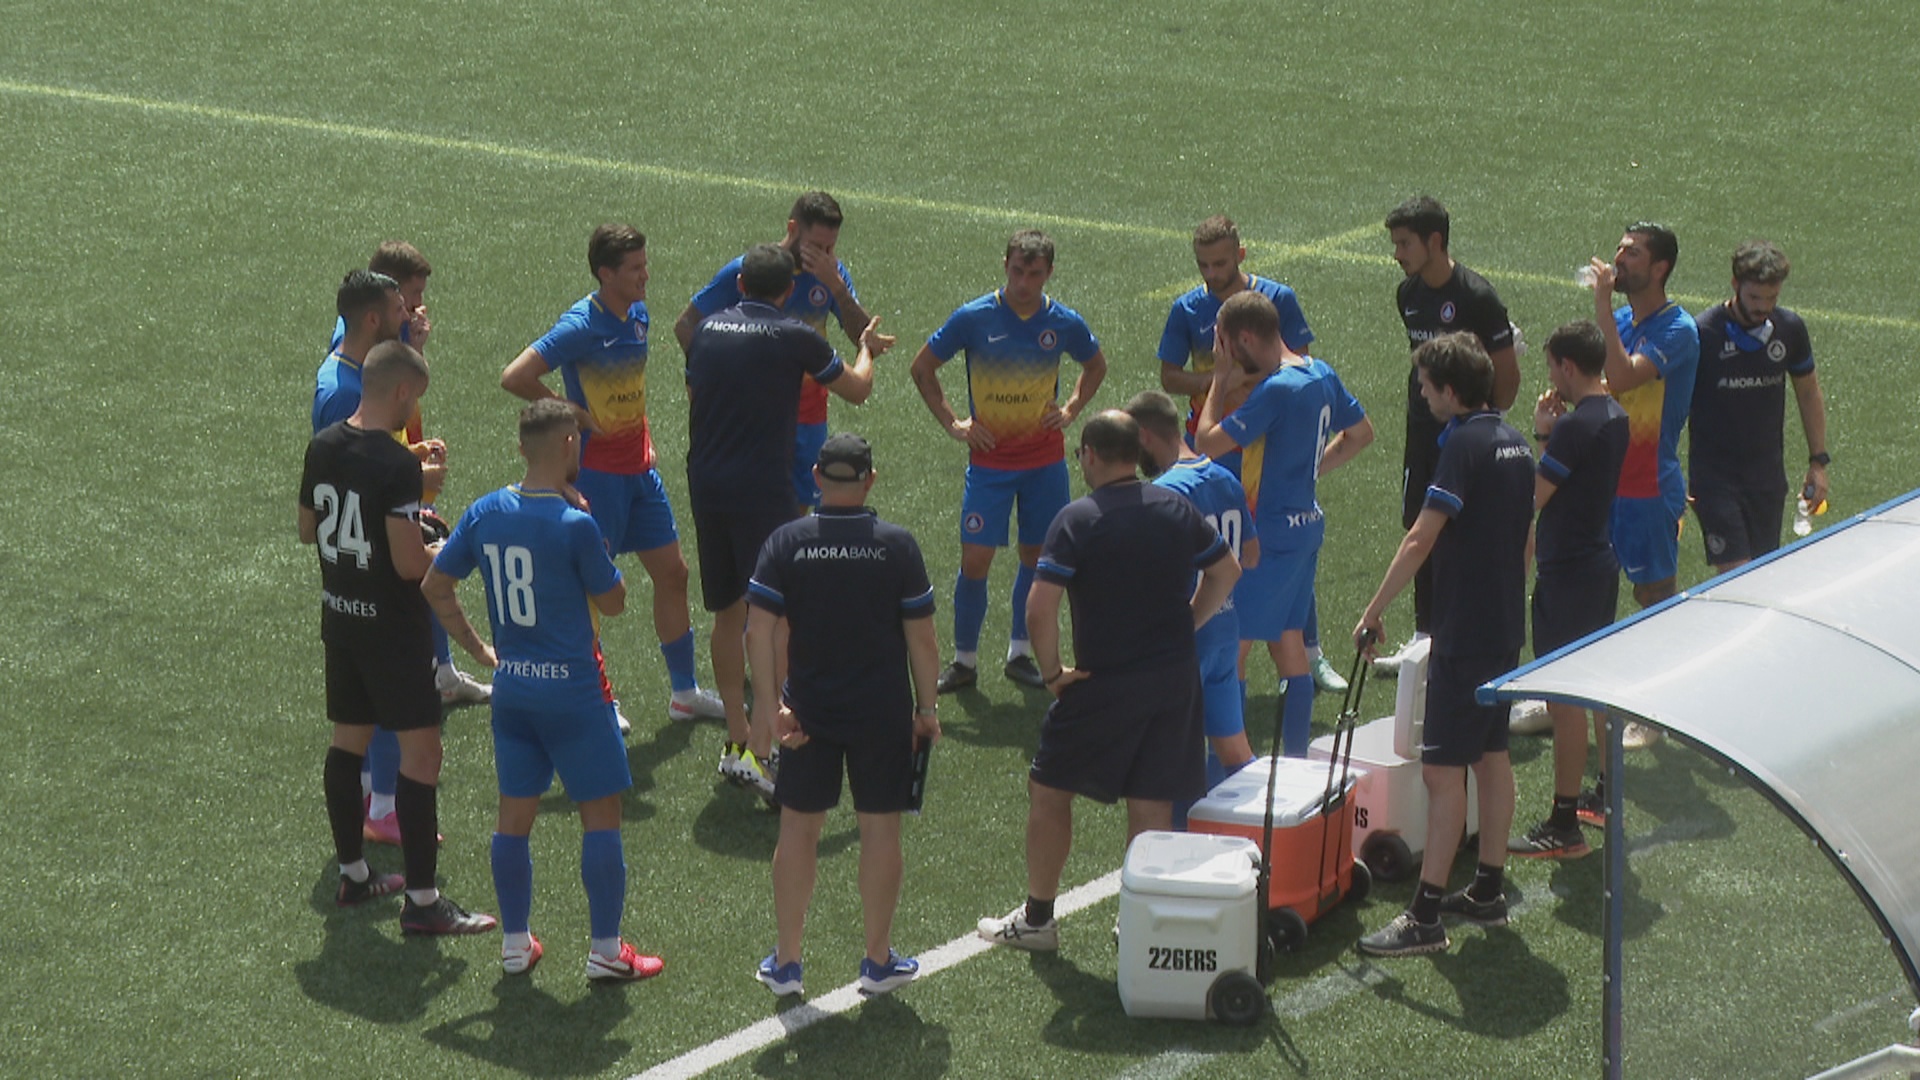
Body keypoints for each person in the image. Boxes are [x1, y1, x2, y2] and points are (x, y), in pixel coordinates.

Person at [977, 411, 1240, 950]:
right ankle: (1137, 920)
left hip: (1105, 681)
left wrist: (1052, 673)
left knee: (1049, 788)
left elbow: (1038, 609)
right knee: (1151, 799)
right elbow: (1227, 570)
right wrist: (1187, 622)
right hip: (1172, 678)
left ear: (1090, 455)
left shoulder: (1078, 519)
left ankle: (1038, 919)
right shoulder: (1176, 506)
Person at [421, 399, 664, 982]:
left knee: (514, 820)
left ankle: (513, 944)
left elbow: (435, 584)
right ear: (566, 445)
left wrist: (480, 651)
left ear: (521, 448)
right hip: (575, 692)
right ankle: (606, 951)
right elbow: (615, 601)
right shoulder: (576, 524)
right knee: (601, 816)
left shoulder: (484, 512)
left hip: (514, 692)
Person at [298, 340, 498, 935]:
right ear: (403, 392)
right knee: (422, 755)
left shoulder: (324, 444)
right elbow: (411, 565)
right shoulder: (397, 464)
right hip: (392, 627)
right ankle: (422, 900)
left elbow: (308, 530)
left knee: (347, 744)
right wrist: (441, 545)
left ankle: (355, 876)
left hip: (341, 617)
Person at [500, 224, 724, 733]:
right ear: (606, 274)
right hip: (598, 477)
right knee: (590, 592)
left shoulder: (639, 315)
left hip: (639, 473)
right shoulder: (582, 324)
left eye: (645, 264)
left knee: (674, 573)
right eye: (636, 268)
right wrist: (572, 412)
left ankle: (684, 693)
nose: (647, 275)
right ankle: (598, 698)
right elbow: (516, 376)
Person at [1353, 333, 1531, 957]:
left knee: (1442, 769)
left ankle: (1425, 916)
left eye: (1427, 385)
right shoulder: (1515, 441)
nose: (1422, 393)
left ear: (1451, 390)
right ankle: (1487, 887)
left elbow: (1418, 539)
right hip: (1506, 621)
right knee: (1491, 755)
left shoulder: (1462, 444)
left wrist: (1374, 611)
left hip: (1465, 629)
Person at [745, 434, 941, 997]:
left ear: (816, 477)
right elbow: (923, 640)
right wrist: (926, 709)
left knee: (798, 830)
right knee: (880, 830)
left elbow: (758, 630)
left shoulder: (787, 542)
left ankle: (787, 963)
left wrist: (771, 705)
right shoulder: (896, 546)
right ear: (870, 480)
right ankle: (877, 962)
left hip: (807, 715)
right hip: (882, 714)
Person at [684, 244, 882, 797]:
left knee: (728, 612)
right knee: (778, 617)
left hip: (706, 481)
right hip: (761, 487)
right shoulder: (795, 335)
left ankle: (736, 738)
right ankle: (769, 747)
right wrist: (864, 348)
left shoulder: (706, 331)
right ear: (787, 292)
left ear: (740, 283)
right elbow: (857, 389)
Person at [908, 229, 1108, 694]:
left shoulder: (1062, 322)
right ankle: (964, 661)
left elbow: (1095, 365)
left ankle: (1020, 652)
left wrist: (1072, 409)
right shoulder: (973, 317)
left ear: (1049, 273)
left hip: (1044, 464)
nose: (1023, 282)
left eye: (1034, 274)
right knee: (975, 559)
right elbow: (922, 368)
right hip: (990, 464)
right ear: (1005, 265)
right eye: (1017, 271)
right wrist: (954, 423)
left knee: (1036, 559)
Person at [1156, 215, 1345, 695]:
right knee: (1224, 539)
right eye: (1203, 264)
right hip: (1220, 445)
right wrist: (1217, 382)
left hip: (1268, 442)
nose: (1211, 274)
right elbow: (1169, 377)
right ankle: (1225, 646)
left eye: (1220, 263)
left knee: (1280, 542)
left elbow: (1294, 365)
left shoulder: (1275, 299)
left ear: (1241, 255)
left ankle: (1311, 651)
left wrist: (1239, 384)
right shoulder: (1187, 308)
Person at [314, 269, 462, 850]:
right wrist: (416, 485)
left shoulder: (353, 377)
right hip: (372, 572)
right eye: (402, 308)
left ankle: (365, 835)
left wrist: (409, 465)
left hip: (359, 567)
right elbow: (353, 486)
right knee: (384, 703)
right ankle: (383, 810)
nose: (411, 315)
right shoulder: (342, 393)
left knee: (360, 711)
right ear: (375, 318)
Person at [1194, 291, 1373, 758]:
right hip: (1307, 525)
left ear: (1245, 338)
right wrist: (1312, 470)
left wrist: (1217, 380)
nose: (1224, 353)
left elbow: (1207, 442)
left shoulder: (1276, 390)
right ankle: (1295, 759)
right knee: (1289, 644)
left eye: (1225, 344)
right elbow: (1361, 435)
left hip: (1268, 535)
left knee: (1234, 647)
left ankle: (1227, 767)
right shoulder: (1320, 372)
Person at [672, 192, 892, 508]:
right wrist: (712, 379)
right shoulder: (753, 270)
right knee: (754, 505)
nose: (825, 255)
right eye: (816, 246)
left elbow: (860, 333)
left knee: (797, 510)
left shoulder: (832, 274)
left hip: (810, 414)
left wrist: (837, 287)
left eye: (831, 247)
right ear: (792, 228)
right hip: (758, 411)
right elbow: (686, 325)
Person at [1379, 197, 1520, 677]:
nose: (1397, 253)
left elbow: (1507, 374)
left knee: (1461, 533)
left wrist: (1484, 426)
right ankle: (1424, 637)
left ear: (1434, 241)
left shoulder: (1477, 296)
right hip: (1422, 430)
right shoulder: (1407, 294)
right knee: (1419, 523)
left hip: (1467, 438)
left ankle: (1460, 631)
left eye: (1405, 243)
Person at [1510, 322, 1629, 858]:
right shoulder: (1614, 416)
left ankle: (1563, 824)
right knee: (1597, 689)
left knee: (1564, 701)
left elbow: (1533, 496)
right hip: (1597, 564)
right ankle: (1606, 796)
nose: (1550, 375)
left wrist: (1541, 432)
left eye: (1553, 365)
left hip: (1569, 572)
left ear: (1568, 367)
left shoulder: (1576, 427)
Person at [1584, 222, 1700, 749]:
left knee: (1654, 594)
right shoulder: (1627, 322)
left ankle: (1656, 711)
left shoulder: (1678, 330)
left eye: (1632, 254)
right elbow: (1606, 385)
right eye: (1620, 249)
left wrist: (1604, 310)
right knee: (1584, 585)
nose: (1619, 258)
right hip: (1604, 479)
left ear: (1660, 269)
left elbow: (1628, 377)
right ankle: (1571, 694)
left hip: (1648, 485)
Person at [1124, 390, 1258, 789]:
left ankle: (1182, 844)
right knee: (1236, 753)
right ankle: (1259, 836)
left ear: (1145, 435)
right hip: (1225, 633)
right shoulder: (1224, 477)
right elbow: (1250, 555)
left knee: (1172, 762)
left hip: (1185, 640)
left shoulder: (1165, 494)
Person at [1689, 240, 1829, 571]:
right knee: (1737, 574)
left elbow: (1808, 393)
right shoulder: (1703, 333)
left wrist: (1818, 462)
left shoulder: (1789, 329)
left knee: (1764, 573)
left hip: (1766, 477)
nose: (1763, 307)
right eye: (1754, 297)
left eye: (1772, 298)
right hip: (1715, 480)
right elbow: (1673, 404)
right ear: (1735, 284)